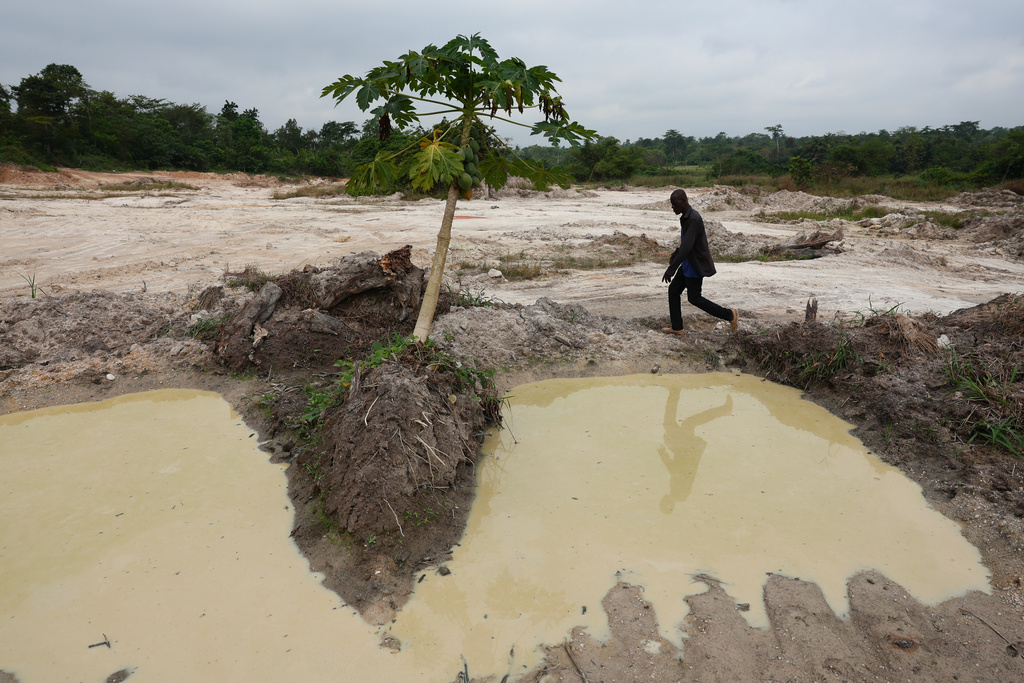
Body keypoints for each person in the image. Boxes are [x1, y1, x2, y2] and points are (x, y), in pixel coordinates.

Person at [661, 189, 738, 335]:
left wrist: (671, 268)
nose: (673, 207)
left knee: (694, 298)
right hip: (688, 263)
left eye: (675, 204)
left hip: (695, 265)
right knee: (673, 290)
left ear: (684, 202)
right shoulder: (686, 216)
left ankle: (730, 315)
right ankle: (677, 327)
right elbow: (686, 244)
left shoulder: (693, 219)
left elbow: (688, 247)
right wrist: (676, 254)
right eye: (671, 205)